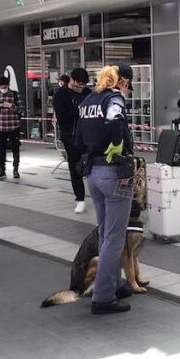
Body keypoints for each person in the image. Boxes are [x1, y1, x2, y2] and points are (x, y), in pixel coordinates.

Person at [75, 63, 137, 315]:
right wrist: (116, 145)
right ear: (121, 82)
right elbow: (115, 120)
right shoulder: (114, 99)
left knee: (104, 233)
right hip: (114, 173)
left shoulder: (88, 99)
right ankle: (103, 297)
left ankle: (114, 283)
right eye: (126, 86)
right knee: (114, 236)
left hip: (92, 173)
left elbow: (77, 138)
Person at [53, 68, 92, 213]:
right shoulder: (61, 95)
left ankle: (97, 195)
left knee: (94, 166)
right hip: (71, 137)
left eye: (83, 85)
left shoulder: (88, 93)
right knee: (75, 168)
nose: (81, 87)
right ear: (72, 80)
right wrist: (78, 110)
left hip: (89, 136)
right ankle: (80, 199)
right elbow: (62, 119)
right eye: (79, 84)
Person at [0, 76, 24, 179]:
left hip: (13, 126)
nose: (3, 88)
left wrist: (11, 106)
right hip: (0, 127)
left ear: (8, 85)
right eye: (1, 87)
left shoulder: (15, 94)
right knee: (1, 150)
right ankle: (2, 170)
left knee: (15, 148)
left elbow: (21, 110)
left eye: (4, 86)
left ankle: (16, 170)